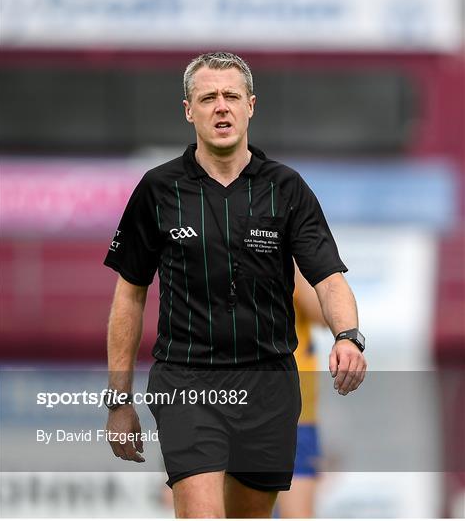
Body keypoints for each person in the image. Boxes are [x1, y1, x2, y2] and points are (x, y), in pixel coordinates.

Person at [103, 52, 367, 519]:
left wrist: (348, 336)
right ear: (189, 110)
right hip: (187, 381)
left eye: (230, 96)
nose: (220, 106)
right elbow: (130, 295)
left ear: (251, 105)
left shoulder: (287, 189)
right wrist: (119, 400)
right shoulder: (157, 190)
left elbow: (328, 278)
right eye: (207, 97)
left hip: (270, 385)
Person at [277, 266, 326, 518]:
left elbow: (326, 315)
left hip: (295, 414)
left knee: (296, 512)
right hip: (234, 404)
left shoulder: (293, 252)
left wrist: (291, 266)